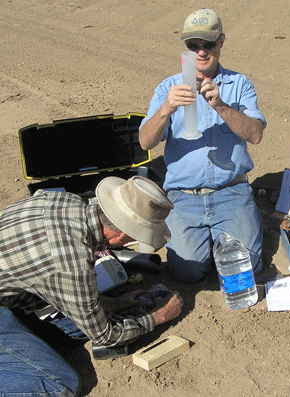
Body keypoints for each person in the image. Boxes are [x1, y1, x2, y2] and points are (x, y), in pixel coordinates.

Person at [0, 176, 183, 396]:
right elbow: (105, 336)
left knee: (77, 326)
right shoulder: (71, 263)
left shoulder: (65, 200)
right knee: (61, 385)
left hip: (11, 296)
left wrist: (117, 302)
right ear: (122, 235)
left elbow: (66, 284)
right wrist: (158, 316)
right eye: (133, 239)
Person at [139, 8, 266, 283]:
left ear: (220, 42)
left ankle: (228, 236)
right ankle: (211, 244)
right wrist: (166, 109)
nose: (201, 52)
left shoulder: (239, 84)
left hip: (230, 191)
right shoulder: (169, 87)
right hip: (184, 197)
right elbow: (145, 141)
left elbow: (255, 134)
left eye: (208, 44)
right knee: (188, 272)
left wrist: (220, 106)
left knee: (244, 273)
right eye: (193, 46)